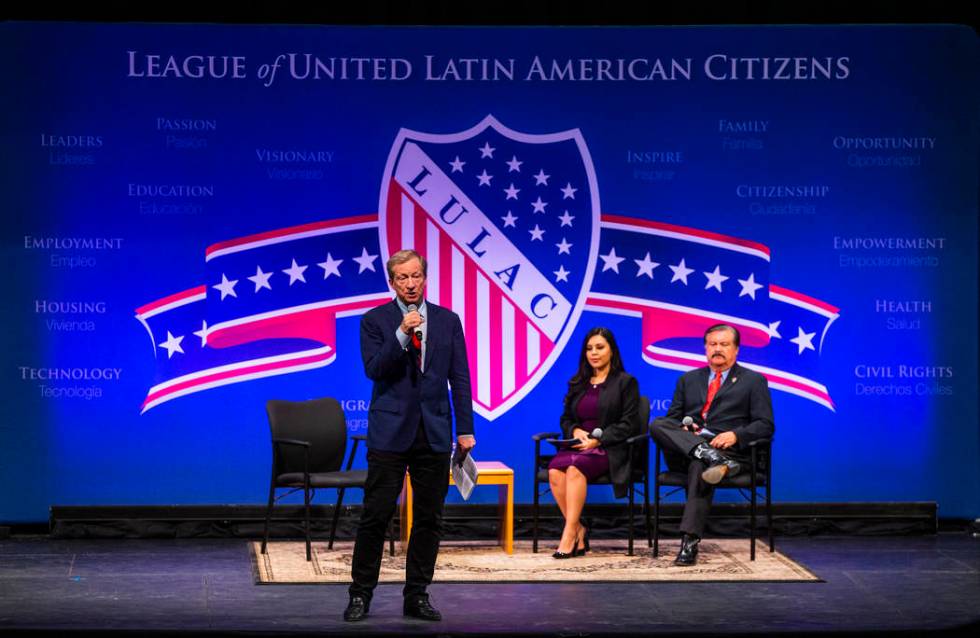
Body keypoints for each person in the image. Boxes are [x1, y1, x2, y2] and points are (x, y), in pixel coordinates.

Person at [345, 249, 475, 622]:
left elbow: (460, 378)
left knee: (430, 518)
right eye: (402, 278)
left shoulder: (449, 321)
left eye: (415, 275)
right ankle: (360, 594)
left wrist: (465, 428)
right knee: (376, 515)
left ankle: (417, 594)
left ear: (425, 277)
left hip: (433, 432)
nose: (410, 283)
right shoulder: (375, 320)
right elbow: (375, 369)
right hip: (389, 433)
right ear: (392, 282)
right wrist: (402, 333)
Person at [649, 323, 774, 566]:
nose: (717, 349)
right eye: (713, 344)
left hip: (731, 452)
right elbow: (672, 420)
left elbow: (765, 425)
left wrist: (735, 435)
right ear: (705, 348)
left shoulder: (753, 381)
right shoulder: (687, 380)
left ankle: (689, 542)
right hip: (692, 447)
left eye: (724, 344)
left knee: (700, 466)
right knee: (658, 424)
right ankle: (705, 453)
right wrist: (686, 430)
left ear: (736, 349)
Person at [547, 327, 641, 558]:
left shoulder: (625, 382)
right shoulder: (578, 382)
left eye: (600, 347)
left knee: (574, 468)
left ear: (611, 350)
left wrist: (598, 439)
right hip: (578, 444)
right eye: (589, 348)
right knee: (554, 472)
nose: (594, 353)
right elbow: (566, 418)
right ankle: (579, 528)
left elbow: (629, 424)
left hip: (608, 447)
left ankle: (569, 533)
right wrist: (575, 429)